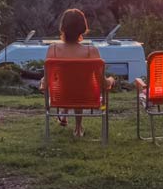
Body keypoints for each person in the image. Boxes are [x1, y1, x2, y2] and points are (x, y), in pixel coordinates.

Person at [40, 8, 115, 138]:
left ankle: (63, 113)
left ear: (62, 27)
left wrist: (42, 82)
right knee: (80, 85)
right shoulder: (92, 52)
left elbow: (46, 83)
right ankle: (78, 128)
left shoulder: (53, 50)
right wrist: (111, 80)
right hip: (87, 97)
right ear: (83, 28)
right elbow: (103, 84)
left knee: (68, 83)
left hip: (61, 97)